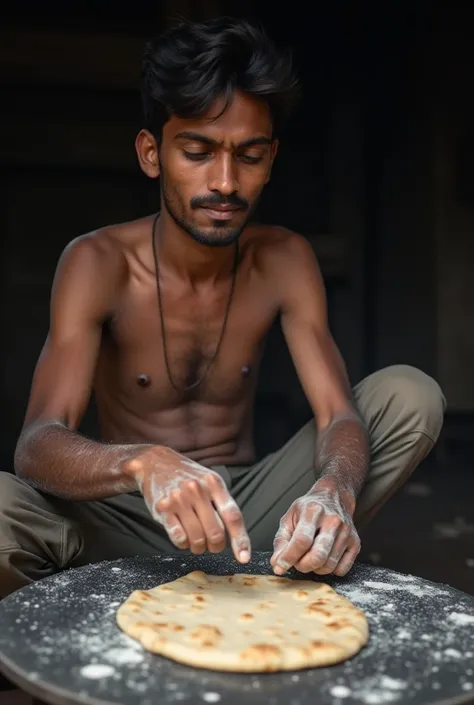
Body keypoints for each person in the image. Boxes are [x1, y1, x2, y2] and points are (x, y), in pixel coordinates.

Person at [0, 17, 445, 598]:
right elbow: (36, 444)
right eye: (199, 152)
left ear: (272, 158)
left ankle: (304, 549)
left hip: (250, 525)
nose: (227, 182)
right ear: (152, 153)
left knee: (409, 394)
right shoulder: (96, 261)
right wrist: (144, 464)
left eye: (250, 156)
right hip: (126, 519)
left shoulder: (284, 258)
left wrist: (333, 489)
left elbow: (339, 413)